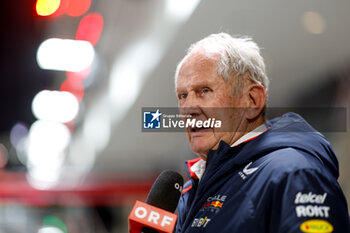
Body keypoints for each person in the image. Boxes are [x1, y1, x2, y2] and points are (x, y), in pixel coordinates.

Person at [174, 33, 349, 233]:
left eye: (204, 91)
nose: (188, 108)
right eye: (183, 95)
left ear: (252, 100)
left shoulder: (294, 172)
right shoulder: (190, 191)